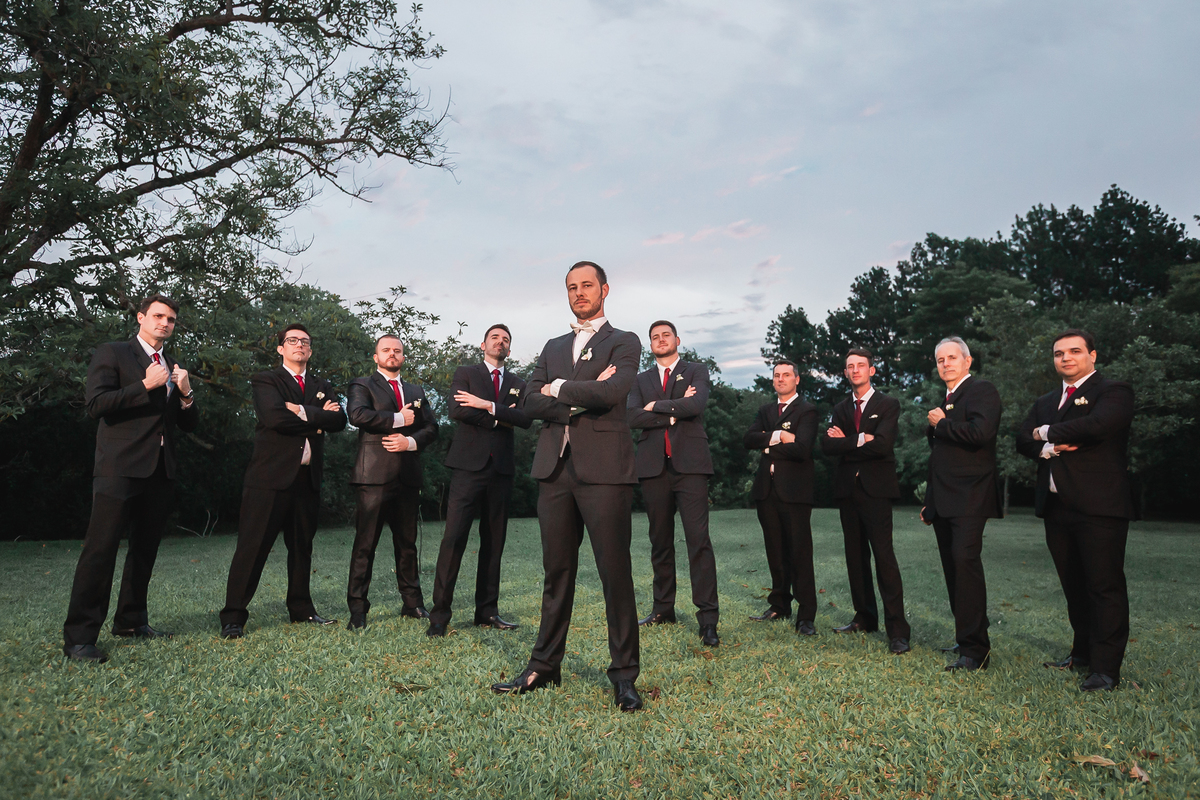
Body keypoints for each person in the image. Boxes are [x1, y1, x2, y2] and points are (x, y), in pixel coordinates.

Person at [490, 261, 644, 712]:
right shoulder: (553, 345)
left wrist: (559, 389)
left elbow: (613, 394)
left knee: (615, 574)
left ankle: (624, 677)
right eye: (572, 287)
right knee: (557, 573)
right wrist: (573, 391)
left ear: (605, 290)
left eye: (587, 286)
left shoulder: (625, 341)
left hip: (605, 473)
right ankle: (544, 665)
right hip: (554, 472)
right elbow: (533, 401)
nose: (579, 293)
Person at [62, 295, 199, 663]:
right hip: (119, 467)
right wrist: (145, 385)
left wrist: (185, 395)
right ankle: (79, 638)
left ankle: (131, 621)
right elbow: (96, 405)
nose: (164, 323)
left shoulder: (173, 365)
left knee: (144, 551)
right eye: (158, 316)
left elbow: (188, 424)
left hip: (160, 469)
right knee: (101, 549)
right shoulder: (113, 353)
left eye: (171, 318)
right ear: (141, 318)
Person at [1015, 329, 1135, 692]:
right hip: (1056, 507)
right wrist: (1047, 446)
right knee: (1074, 587)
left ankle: (1105, 670)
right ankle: (1081, 654)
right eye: (1058, 353)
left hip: (1100, 506)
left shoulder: (1113, 391)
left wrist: (1045, 431)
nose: (1065, 358)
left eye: (1074, 351)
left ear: (1092, 355)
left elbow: (1097, 426)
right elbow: (1021, 438)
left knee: (1104, 587)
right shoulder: (1046, 399)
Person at [219, 324, 347, 638]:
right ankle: (233, 617)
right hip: (269, 479)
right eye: (292, 340)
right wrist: (318, 419)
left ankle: (301, 610)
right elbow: (273, 418)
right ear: (280, 349)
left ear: (311, 350)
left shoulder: (321, 384)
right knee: (253, 547)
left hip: (307, 479)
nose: (299, 345)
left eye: (305, 341)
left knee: (302, 548)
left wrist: (303, 411)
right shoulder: (267, 379)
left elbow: (340, 420)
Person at [427, 324, 530, 636]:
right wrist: (502, 417)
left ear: (509, 350)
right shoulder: (466, 373)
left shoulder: (517, 382)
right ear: (483, 344)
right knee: (453, 538)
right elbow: (457, 411)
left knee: (494, 542)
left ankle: (487, 612)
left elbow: (525, 418)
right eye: (495, 338)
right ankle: (439, 617)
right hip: (468, 468)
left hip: (501, 470)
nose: (500, 342)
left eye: (506, 340)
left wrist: (487, 407)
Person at [627, 320, 720, 647]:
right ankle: (663, 608)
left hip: (691, 466)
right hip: (653, 468)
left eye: (666, 335)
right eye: (655, 337)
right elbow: (632, 416)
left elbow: (696, 406)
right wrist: (672, 412)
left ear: (677, 340)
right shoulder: (641, 379)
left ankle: (708, 620)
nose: (660, 340)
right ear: (651, 345)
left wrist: (655, 407)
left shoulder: (696, 370)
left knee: (698, 541)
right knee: (660, 542)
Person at [344, 334, 439, 628]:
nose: (392, 354)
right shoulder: (363, 384)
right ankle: (358, 611)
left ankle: (412, 604)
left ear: (404, 357)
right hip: (372, 476)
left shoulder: (416, 389)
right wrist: (399, 420)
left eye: (397, 351)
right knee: (365, 545)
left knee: (407, 544)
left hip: (407, 476)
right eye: (386, 350)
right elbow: (358, 414)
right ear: (376, 357)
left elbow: (432, 427)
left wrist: (410, 442)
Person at [820, 348, 911, 654]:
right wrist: (861, 439)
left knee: (884, 558)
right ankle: (865, 617)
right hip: (848, 491)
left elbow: (883, 445)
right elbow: (826, 446)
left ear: (872, 370)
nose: (856, 370)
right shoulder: (841, 406)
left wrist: (846, 441)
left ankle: (898, 630)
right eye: (850, 367)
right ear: (845, 373)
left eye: (861, 366)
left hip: (877, 490)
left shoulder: (888, 404)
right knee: (855, 558)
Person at [920, 336, 1002, 672]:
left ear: (967, 361)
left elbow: (981, 434)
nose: (946, 364)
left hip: (971, 497)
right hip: (945, 501)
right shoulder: (948, 398)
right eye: (940, 360)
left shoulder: (981, 391)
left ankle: (975, 652)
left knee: (965, 565)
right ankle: (965, 638)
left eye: (952, 357)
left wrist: (942, 424)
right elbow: (938, 457)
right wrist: (929, 501)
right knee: (954, 570)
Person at [743, 360, 819, 636]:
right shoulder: (765, 411)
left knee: (799, 552)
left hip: (795, 493)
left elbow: (802, 449)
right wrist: (778, 436)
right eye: (777, 375)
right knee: (775, 551)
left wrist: (766, 447)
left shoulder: (807, 410)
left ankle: (806, 615)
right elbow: (748, 439)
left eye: (787, 375)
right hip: (767, 491)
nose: (781, 379)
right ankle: (779, 605)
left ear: (797, 379)